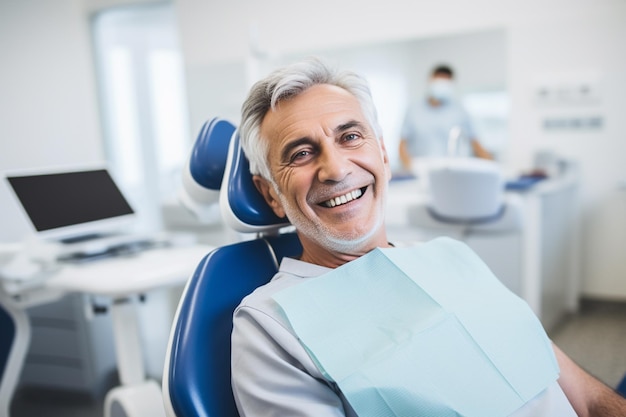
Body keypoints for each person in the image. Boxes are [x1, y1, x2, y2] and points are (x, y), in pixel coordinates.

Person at [231, 57, 626, 416]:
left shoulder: (450, 255)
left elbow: (585, 398)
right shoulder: (270, 327)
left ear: (383, 155)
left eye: (350, 137)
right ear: (271, 194)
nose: (335, 169)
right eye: (301, 153)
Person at [398, 64, 492, 172]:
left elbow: (475, 142)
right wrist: (411, 167)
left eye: (446, 83)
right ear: (430, 80)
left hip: (452, 170)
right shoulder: (413, 111)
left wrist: (493, 167)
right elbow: (402, 145)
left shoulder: (460, 111)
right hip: (420, 170)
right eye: (439, 81)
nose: (442, 86)